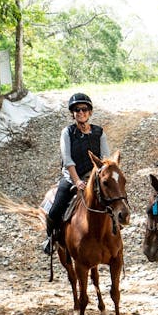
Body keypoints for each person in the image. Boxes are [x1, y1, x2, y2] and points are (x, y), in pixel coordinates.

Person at [44, 92, 112, 254]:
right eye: (77, 110)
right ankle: (51, 238)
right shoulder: (67, 133)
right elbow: (67, 160)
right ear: (72, 113)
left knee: (114, 199)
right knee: (55, 209)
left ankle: (115, 232)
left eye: (84, 109)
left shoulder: (99, 132)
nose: (81, 112)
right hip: (72, 177)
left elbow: (106, 158)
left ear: (90, 112)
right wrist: (76, 181)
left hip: (93, 178)